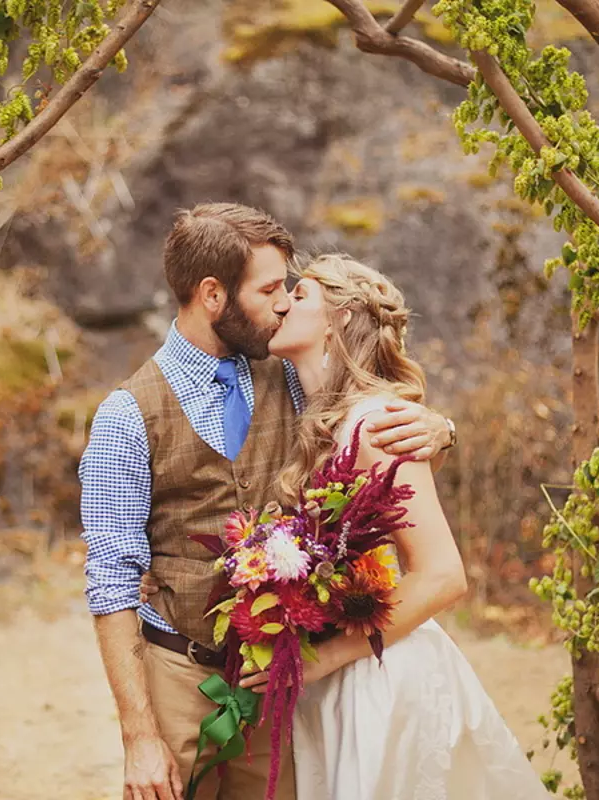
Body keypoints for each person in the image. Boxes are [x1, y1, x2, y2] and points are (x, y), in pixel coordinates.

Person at [79, 205, 457, 800]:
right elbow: (111, 583)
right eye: (269, 288)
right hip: (177, 671)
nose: (283, 302)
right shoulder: (126, 416)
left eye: (287, 288)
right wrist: (140, 738)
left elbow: (366, 425)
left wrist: (437, 427)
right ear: (212, 294)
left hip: (279, 685)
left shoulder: (292, 373)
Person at [237, 253, 551, 799]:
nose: (283, 301)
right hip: (335, 676)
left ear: (340, 320)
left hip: (378, 675)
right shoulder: (314, 421)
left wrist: (330, 657)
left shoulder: (376, 421)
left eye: (302, 293)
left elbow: (443, 575)